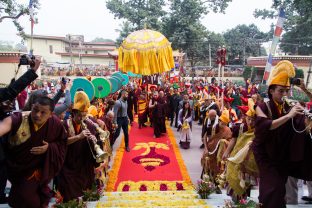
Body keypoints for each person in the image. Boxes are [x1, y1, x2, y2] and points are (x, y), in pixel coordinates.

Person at [251, 60, 312, 208]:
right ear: (271, 91)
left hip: (281, 154)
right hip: (265, 154)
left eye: (287, 91)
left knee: (280, 190)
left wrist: (306, 120)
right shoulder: (261, 106)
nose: (285, 94)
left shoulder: (290, 106)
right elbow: (266, 126)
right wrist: (288, 116)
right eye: (281, 91)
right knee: (272, 187)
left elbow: (299, 126)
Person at [0, 96, 67, 208]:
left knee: (29, 199)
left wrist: (49, 148)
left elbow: (62, 143)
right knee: (25, 198)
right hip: (19, 169)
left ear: (51, 114)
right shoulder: (19, 119)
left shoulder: (55, 123)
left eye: (43, 112)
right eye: (35, 110)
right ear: (31, 107)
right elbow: (4, 125)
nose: (37, 115)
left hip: (40, 170)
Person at [57, 91, 100, 202]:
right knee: (69, 192)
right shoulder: (64, 124)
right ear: (74, 113)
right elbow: (61, 143)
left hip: (84, 163)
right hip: (68, 163)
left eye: (84, 115)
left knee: (84, 190)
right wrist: (78, 137)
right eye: (80, 116)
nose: (82, 118)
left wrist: (94, 142)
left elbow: (92, 146)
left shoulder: (89, 124)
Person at [225, 100, 258, 202]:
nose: (251, 122)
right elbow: (233, 140)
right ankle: (236, 199)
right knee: (235, 177)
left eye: (253, 119)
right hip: (236, 157)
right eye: (249, 119)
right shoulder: (239, 127)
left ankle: (243, 200)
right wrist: (226, 152)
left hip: (249, 160)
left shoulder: (258, 129)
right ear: (245, 118)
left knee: (246, 180)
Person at [201, 109, 232, 193]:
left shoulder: (228, 130)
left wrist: (223, 142)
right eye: (220, 121)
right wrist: (206, 148)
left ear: (226, 123)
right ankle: (207, 185)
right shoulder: (214, 127)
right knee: (208, 167)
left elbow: (230, 142)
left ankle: (217, 186)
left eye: (223, 123)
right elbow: (205, 137)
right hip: (211, 151)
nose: (221, 124)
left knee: (218, 170)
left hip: (220, 155)